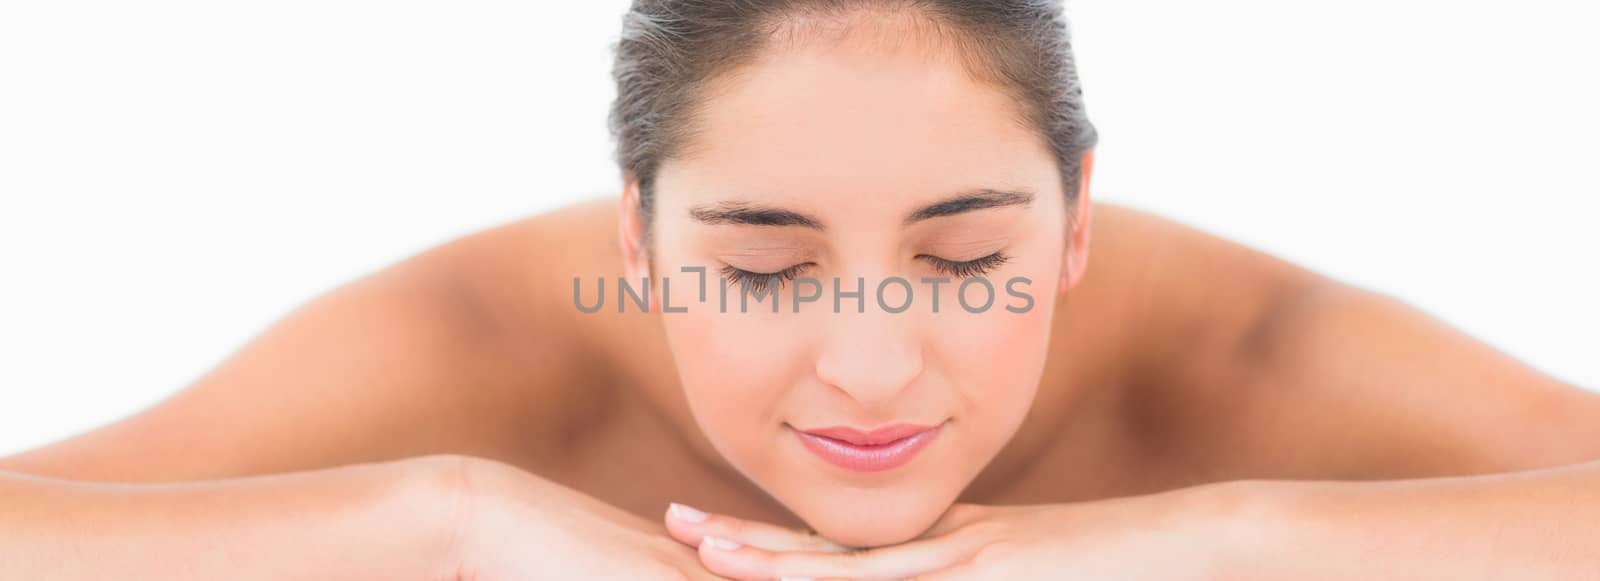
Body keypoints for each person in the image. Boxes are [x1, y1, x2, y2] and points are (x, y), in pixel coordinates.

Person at [4, 1, 1599, 579]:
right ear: (637, 237)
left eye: (970, 260)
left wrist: (1220, 536)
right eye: (762, 267)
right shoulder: (474, 349)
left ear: (1077, 218)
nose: (873, 370)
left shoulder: (1238, 357)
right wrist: (446, 524)